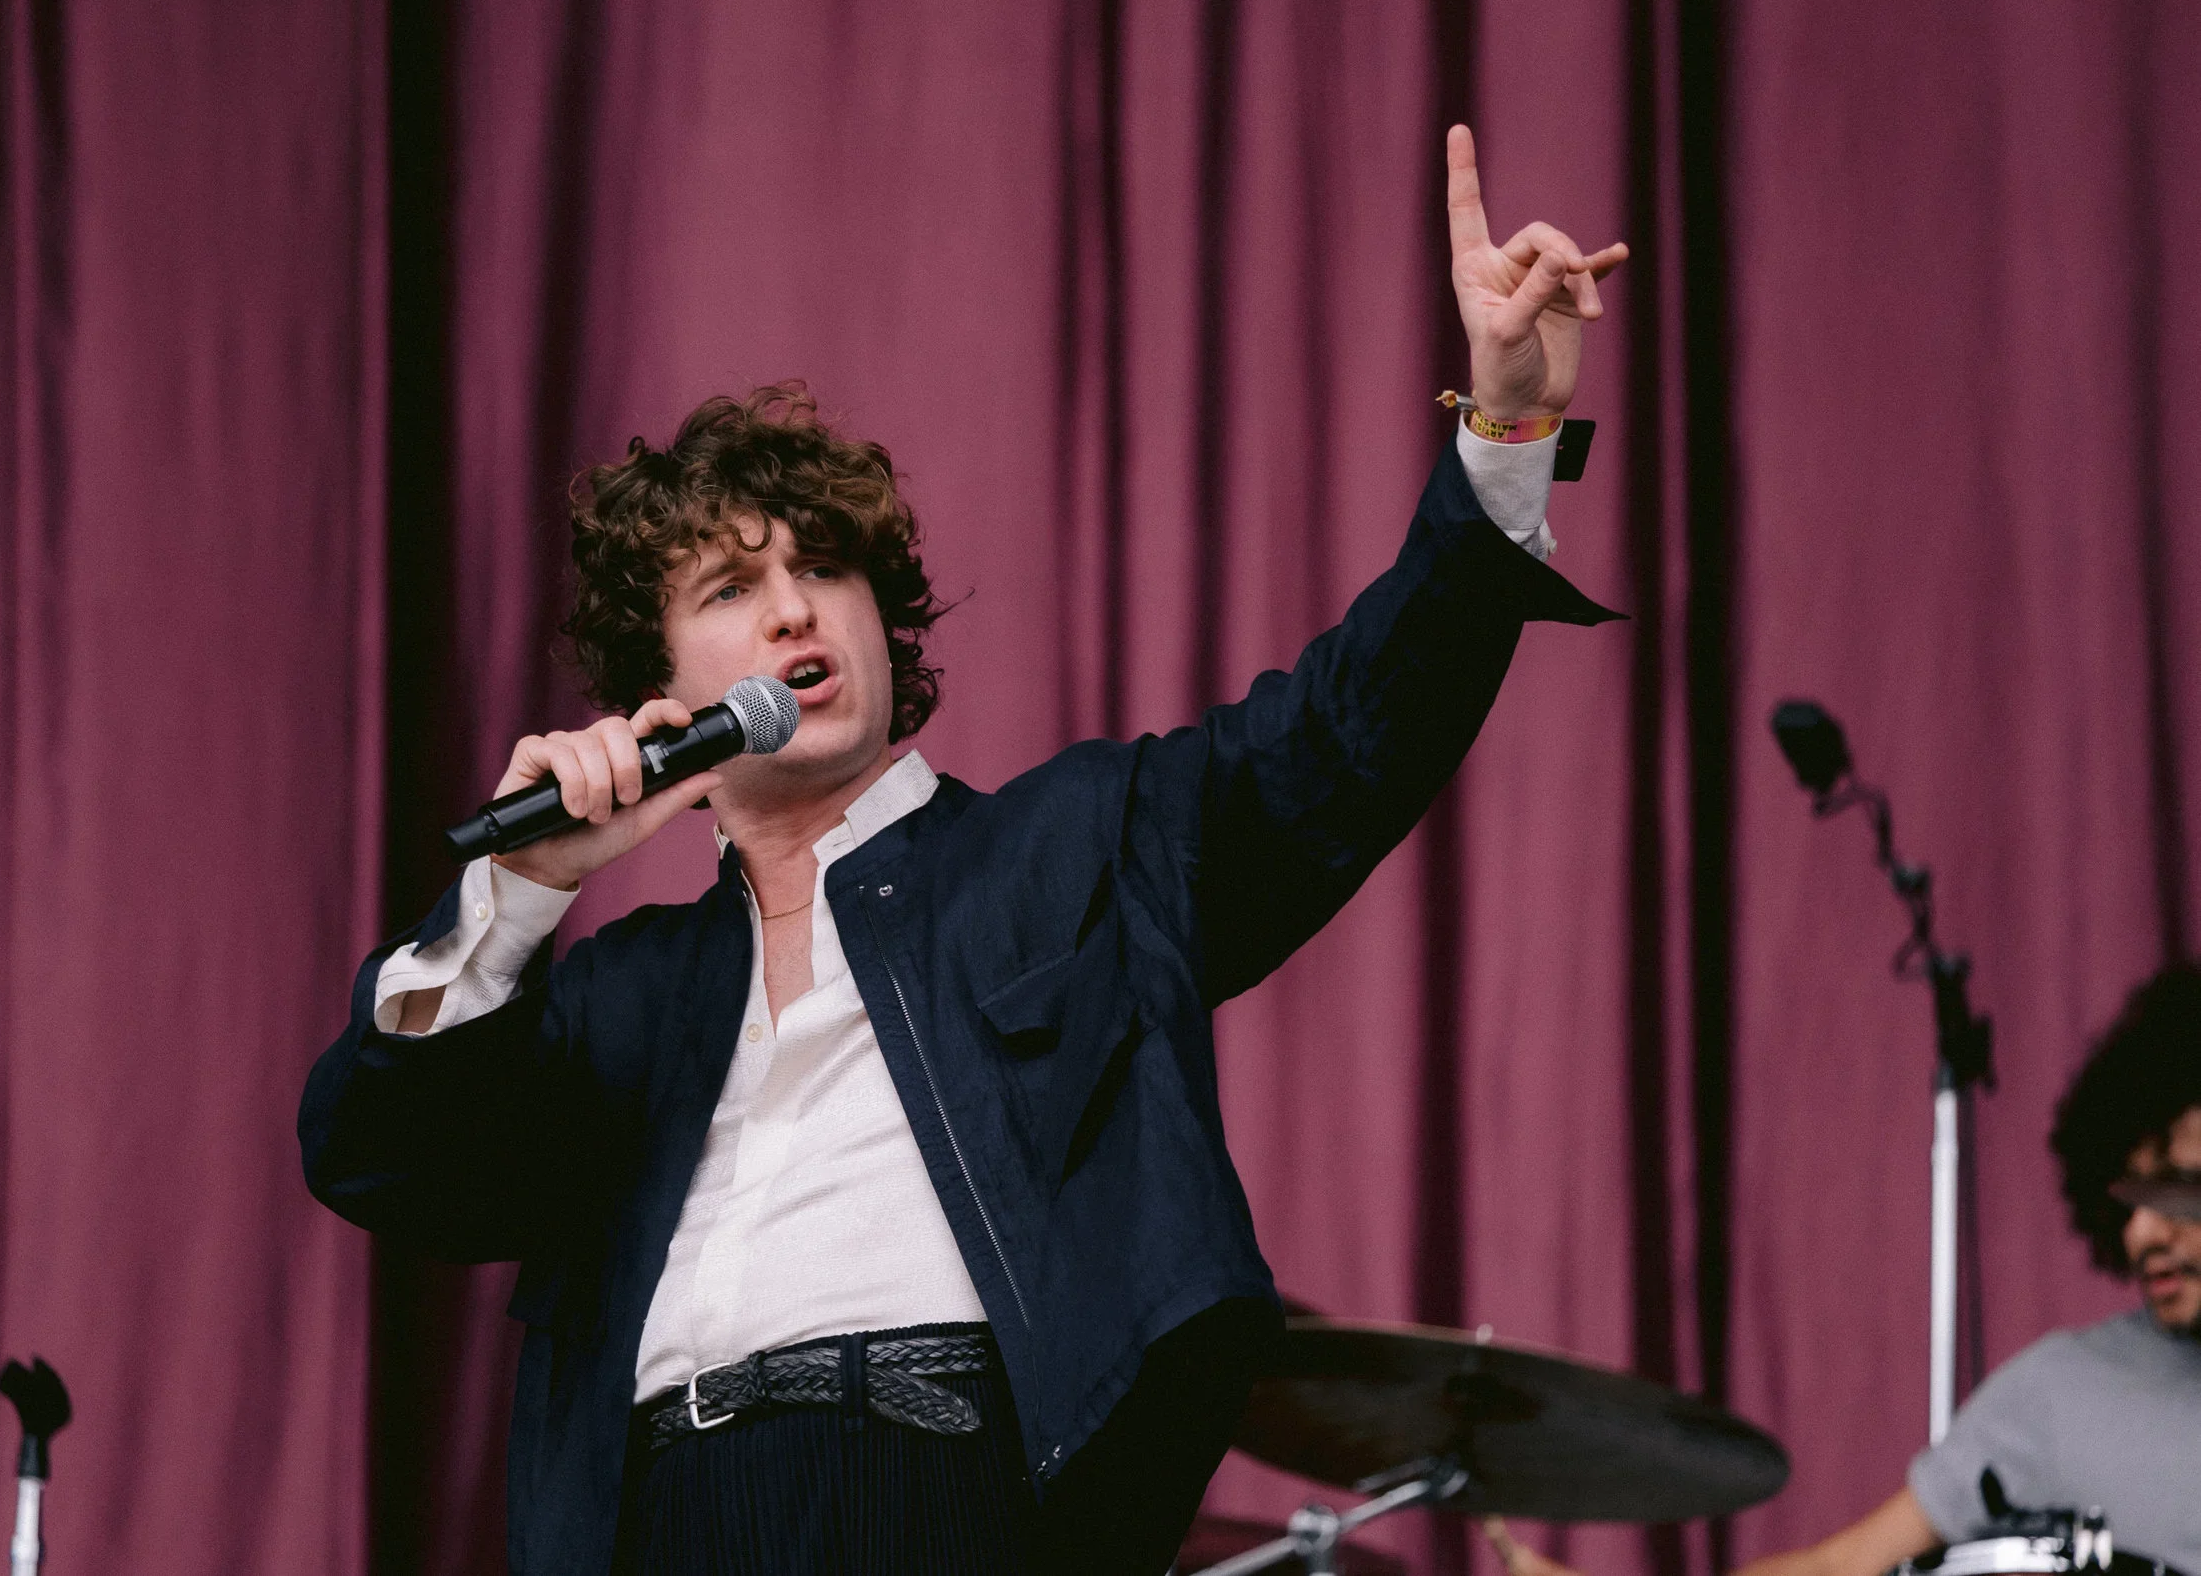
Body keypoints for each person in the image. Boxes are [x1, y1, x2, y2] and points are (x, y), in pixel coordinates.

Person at [300, 125, 1627, 1576]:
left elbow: (1353, 729)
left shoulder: (1081, 843)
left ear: (884, 619)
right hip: (669, 1516)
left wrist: (1506, 435)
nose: (795, 608)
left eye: (826, 567)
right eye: (733, 585)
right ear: (654, 683)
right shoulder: (617, 992)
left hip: (954, 1490)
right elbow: (382, 1161)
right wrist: (520, 887)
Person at [1488, 966, 2201, 1576]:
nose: (2143, 1232)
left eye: (2178, 1188)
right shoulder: (2057, 1392)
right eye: (2130, 1199)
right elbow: (1837, 1568)